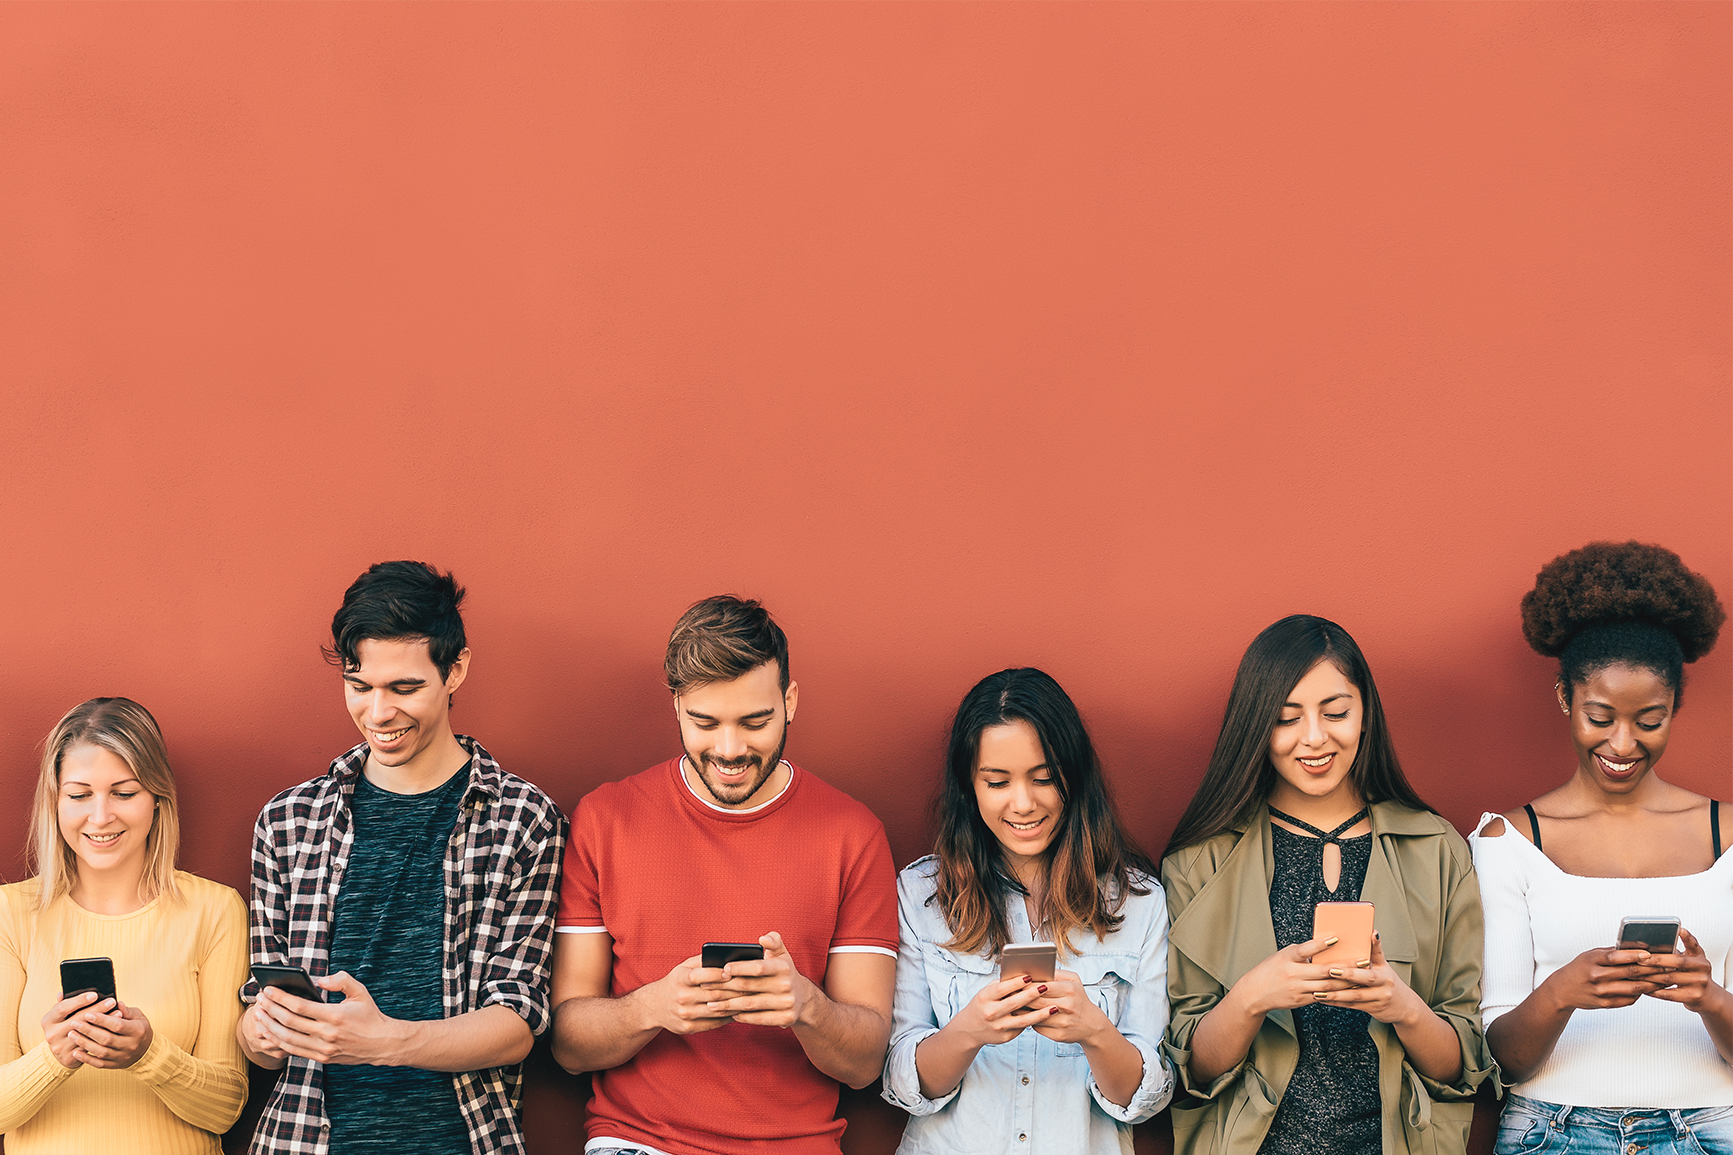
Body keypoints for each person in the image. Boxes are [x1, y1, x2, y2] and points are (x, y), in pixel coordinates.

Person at [237, 560, 568, 1155]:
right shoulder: (287, 821)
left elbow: (516, 1023)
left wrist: (386, 1041)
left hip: (463, 1139)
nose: (378, 714)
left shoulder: (524, 820)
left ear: (456, 669)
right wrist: (263, 1031)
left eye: (404, 688)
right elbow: (255, 1026)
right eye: (359, 686)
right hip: (305, 1141)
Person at [549, 594, 898, 1155]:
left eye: (754, 722)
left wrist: (806, 1007)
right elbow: (568, 1045)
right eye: (705, 723)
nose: (729, 750)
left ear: (789, 702)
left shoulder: (853, 835)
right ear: (676, 707)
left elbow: (864, 1065)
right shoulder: (606, 819)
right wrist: (655, 1006)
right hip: (638, 1142)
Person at [1161, 614, 1491, 1155]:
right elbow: (1190, 1071)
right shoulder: (1200, 861)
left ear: (1365, 714)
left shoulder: (1436, 850)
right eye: (1285, 719)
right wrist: (1251, 998)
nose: (1314, 738)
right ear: (1255, 727)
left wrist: (1401, 1007)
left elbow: (1461, 1066)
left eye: (1336, 712)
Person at [1471, 541, 1733, 1155]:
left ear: (1675, 710)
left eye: (1649, 720)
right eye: (1599, 716)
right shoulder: (1509, 843)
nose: (1622, 743)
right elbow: (1501, 1058)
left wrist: (1709, 997)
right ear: (1565, 701)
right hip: (1553, 1133)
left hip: (1710, 1132)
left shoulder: (1731, 840)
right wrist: (1562, 993)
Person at [881, 667, 1174, 1152]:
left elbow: (1143, 1101)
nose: (1023, 804)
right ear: (968, 787)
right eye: (997, 783)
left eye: (1044, 779)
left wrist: (1094, 1031)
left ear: (1073, 777)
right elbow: (902, 1084)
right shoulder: (921, 893)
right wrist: (968, 1031)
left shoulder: (1137, 902)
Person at [0, 697, 249, 1153]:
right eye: (79, 795)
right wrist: (55, 1056)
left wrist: (149, 1055)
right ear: (55, 802)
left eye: (124, 792)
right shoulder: (10, 913)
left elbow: (226, 1108)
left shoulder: (215, 910)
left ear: (157, 798)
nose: (100, 817)